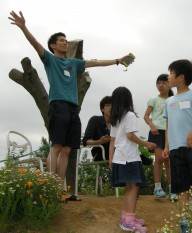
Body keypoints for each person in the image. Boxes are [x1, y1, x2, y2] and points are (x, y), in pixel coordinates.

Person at [8, 11, 131, 190]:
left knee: (67, 149)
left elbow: (95, 63)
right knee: (57, 146)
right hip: (58, 104)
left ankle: (58, 188)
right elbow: (35, 44)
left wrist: (118, 61)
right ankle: (49, 186)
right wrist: (23, 27)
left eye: (66, 40)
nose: (65, 42)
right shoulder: (49, 59)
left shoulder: (73, 63)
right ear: (53, 45)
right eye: (61, 40)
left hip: (73, 107)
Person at [162, 60, 192, 217]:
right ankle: (185, 222)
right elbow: (168, 125)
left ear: (181, 77)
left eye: (171, 73)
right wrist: (166, 146)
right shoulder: (169, 101)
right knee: (181, 187)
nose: (168, 77)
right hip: (176, 149)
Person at [109, 87, 156, 233]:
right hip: (129, 157)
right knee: (134, 187)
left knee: (130, 188)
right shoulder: (129, 115)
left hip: (119, 157)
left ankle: (126, 218)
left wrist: (111, 158)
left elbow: (112, 140)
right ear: (128, 99)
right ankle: (128, 222)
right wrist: (146, 144)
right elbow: (130, 136)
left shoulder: (115, 117)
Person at [143, 74, 177, 200]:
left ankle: (172, 189)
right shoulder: (153, 99)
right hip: (156, 132)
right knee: (159, 159)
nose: (161, 85)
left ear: (169, 84)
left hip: (170, 132)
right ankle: (157, 188)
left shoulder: (174, 100)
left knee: (169, 161)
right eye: (158, 83)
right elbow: (146, 116)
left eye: (164, 82)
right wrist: (152, 125)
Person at [82, 96, 112, 162]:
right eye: (107, 105)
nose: (110, 107)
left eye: (113, 105)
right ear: (102, 109)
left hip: (118, 155)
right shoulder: (95, 120)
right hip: (100, 154)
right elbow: (86, 141)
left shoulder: (119, 123)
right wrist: (99, 142)